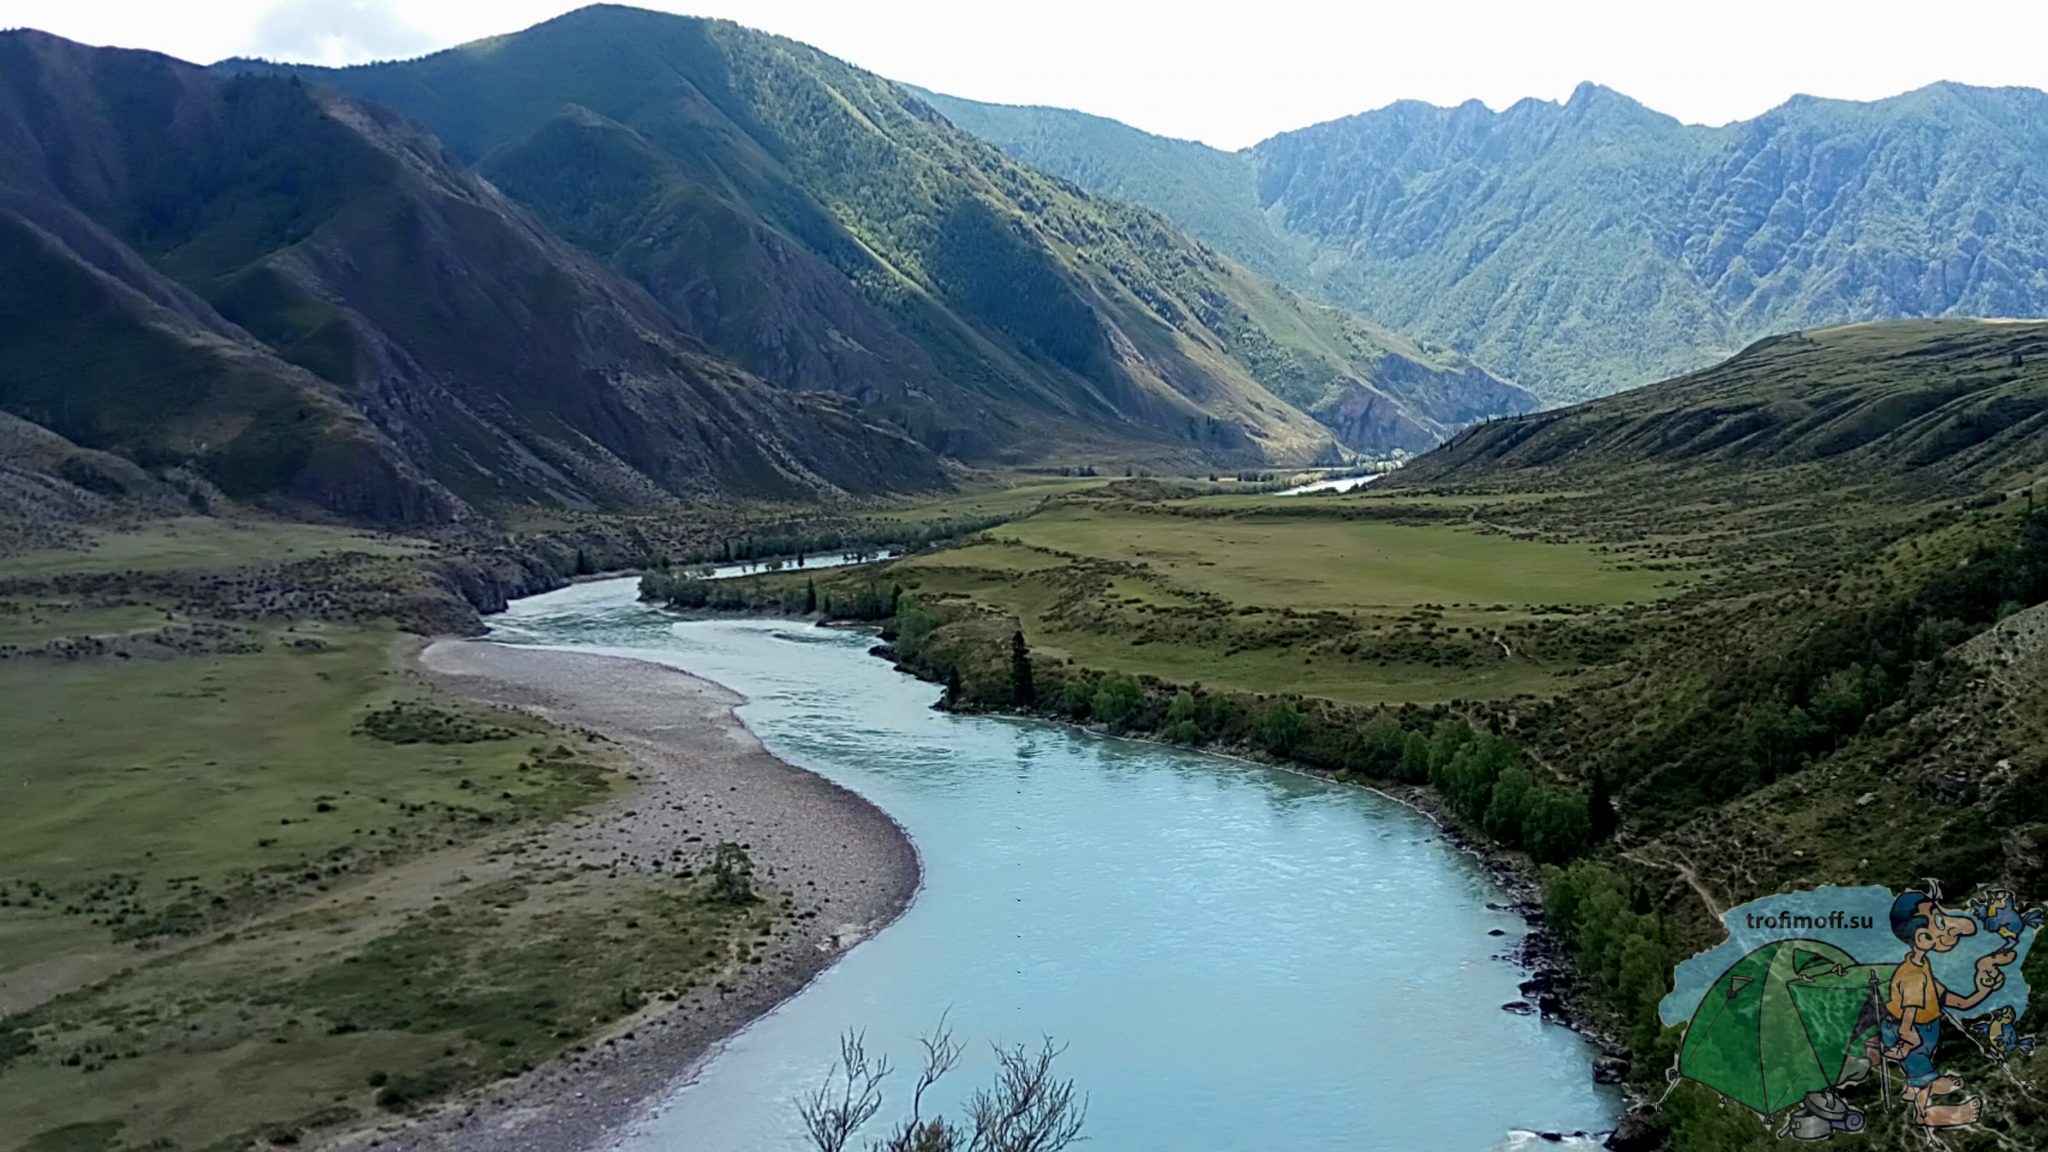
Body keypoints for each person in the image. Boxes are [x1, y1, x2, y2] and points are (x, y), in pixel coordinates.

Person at [1879, 890, 2018, 1128]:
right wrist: (1908, 1035)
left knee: (1919, 1073)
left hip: (1924, 1029)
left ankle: (1918, 1087)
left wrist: (1982, 990)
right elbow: (1909, 1011)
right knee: (1921, 1075)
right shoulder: (1911, 974)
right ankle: (1929, 1114)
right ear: (1922, 939)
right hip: (1913, 1032)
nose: (1951, 927)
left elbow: (1957, 1001)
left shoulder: (1923, 968)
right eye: (1939, 921)